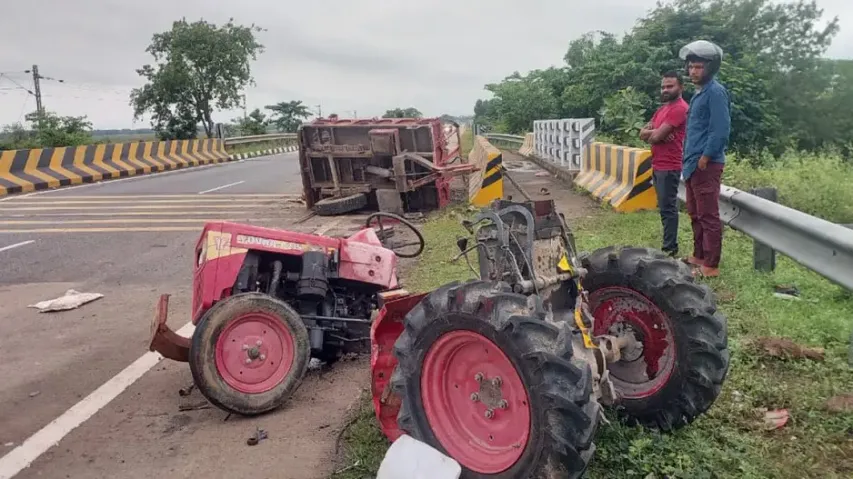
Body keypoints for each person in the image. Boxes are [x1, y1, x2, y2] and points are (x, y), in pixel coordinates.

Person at [679, 40, 731, 278]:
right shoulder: (699, 94)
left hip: (705, 164)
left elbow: (720, 129)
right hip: (692, 164)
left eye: (698, 67)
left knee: (708, 215)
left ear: (710, 68)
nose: (693, 72)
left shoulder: (716, 92)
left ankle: (711, 264)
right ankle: (699, 255)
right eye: (690, 67)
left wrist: (706, 156)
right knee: (695, 212)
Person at [639, 71, 689, 257]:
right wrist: (653, 134)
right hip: (658, 163)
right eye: (663, 87)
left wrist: (655, 134)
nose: (665, 90)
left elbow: (656, 136)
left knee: (668, 208)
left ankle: (670, 248)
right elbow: (643, 133)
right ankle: (668, 245)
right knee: (664, 207)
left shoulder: (679, 109)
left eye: (670, 86)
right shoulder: (662, 109)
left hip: (670, 165)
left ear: (680, 87)